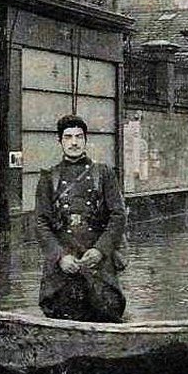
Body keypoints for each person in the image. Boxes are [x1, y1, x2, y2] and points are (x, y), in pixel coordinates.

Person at [36, 114, 127, 322]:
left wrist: (100, 250)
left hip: (97, 265)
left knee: (107, 313)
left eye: (79, 137)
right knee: (60, 317)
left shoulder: (103, 174)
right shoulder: (49, 178)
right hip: (63, 268)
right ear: (60, 141)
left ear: (86, 140)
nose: (74, 143)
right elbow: (41, 223)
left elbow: (118, 215)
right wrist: (60, 257)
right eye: (68, 137)